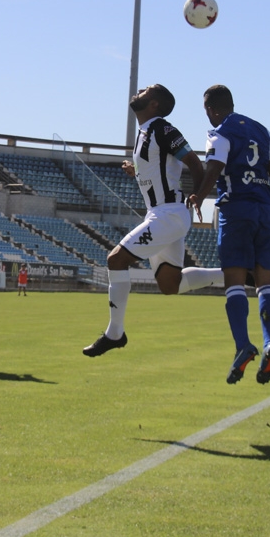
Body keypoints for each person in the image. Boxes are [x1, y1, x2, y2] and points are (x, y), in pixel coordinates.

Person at [82, 84, 225, 357]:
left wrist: (197, 196)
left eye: (146, 91)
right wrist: (134, 170)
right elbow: (158, 169)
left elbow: (195, 164)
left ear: (154, 104)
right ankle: (234, 275)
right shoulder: (144, 134)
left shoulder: (163, 129)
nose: (139, 91)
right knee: (170, 285)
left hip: (169, 214)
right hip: (161, 214)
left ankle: (115, 333)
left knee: (116, 260)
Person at [188, 84, 270, 385]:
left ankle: (243, 345)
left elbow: (215, 166)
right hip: (265, 211)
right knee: (265, 282)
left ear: (212, 109)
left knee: (234, 282)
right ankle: (269, 342)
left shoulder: (220, 131)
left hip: (236, 209)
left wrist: (199, 196)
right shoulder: (263, 131)